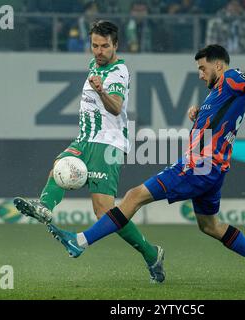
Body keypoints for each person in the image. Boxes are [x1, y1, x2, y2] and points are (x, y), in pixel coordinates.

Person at [45, 44, 245, 285]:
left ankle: (80, 241)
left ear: (219, 65)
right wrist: (199, 113)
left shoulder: (232, 78)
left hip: (197, 166)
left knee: (134, 196)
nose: (200, 74)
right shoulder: (220, 92)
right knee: (210, 226)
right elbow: (222, 118)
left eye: (203, 68)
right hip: (213, 169)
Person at [13, 20, 165, 284]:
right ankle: (45, 207)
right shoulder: (94, 64)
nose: (98, 51)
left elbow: (116, 108)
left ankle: (152, 254)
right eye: (95, 45)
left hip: (108, 144)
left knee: (105, 213)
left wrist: (100, 89)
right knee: (59, 165)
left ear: (116, 45)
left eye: (105, 46)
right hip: (86, 138)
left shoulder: (117, 71)